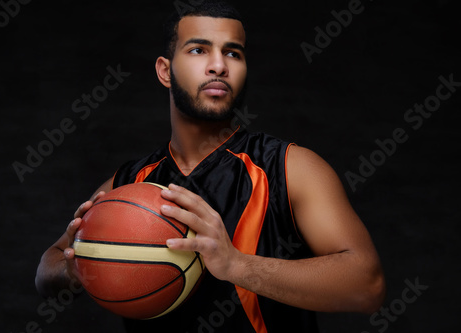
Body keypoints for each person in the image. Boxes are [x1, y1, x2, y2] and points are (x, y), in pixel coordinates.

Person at [35, 1, 385, 332]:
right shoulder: (129, 185)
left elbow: (368, 287)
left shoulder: (291, 168)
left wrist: (236, 265)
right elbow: (47, 267)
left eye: (233, 52)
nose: (219, 65)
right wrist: (76, 266)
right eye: (199, 49)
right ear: (164, 71)